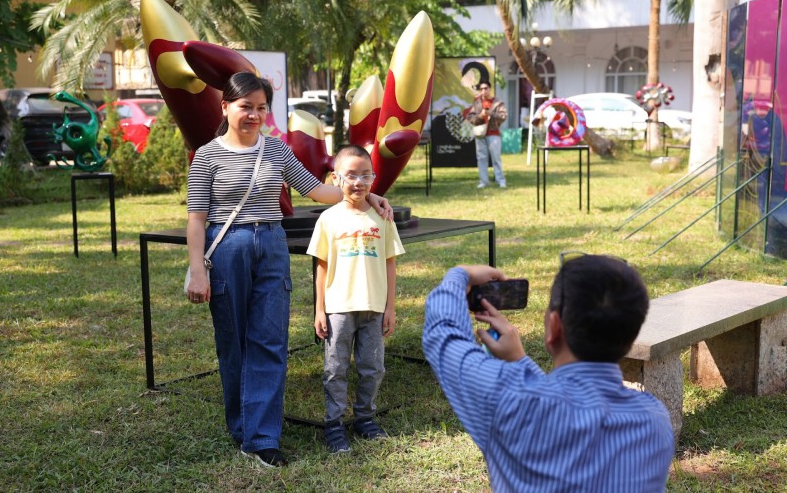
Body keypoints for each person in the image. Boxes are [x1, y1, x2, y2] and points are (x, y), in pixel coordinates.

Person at [185, 72, 393, 468]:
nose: (254, 115)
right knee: (234, 342)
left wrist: (368, 194)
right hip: (227, 248)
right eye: (245, 106)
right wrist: (197, 269)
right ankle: (242, 426)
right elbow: (196, 219)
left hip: (272, 246)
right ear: (225, 107)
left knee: (270, 340)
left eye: (261, 108)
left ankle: (262, 438)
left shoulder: (276, 150)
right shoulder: (207, 156)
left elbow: (317, 190)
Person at [422, 254, 675, 492]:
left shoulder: (510, 402)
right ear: (630, 338)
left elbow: (443, 334)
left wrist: (459, 274)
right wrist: (520, 361)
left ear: (554, 326)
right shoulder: (655, 421)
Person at [307, 145, 405, 453]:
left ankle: (365, 418)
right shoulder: (328, 219)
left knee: (373, 367)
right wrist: (319, 310)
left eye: (366, 175)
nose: (359, 182)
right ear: (336, 178)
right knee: (335, 369)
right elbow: (321, 266)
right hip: (338, 308)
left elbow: (390, 263)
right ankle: (334, 424)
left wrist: (390, 307)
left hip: (374, 308)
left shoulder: (382, 218)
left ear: (373, 178)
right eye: (351, 175)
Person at [464, 80, 508, 189]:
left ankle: (500, 180)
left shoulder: (498, 102)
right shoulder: (477, 103)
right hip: (480, 133)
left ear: (490, 89)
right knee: (481, 158)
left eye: (486, 88)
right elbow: (470, 117)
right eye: (481, 89)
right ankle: (483, 181)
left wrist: (490, 113)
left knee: (496, 158)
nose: (484, 91)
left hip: (493, 133)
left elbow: (503, 116)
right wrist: (480, 116)